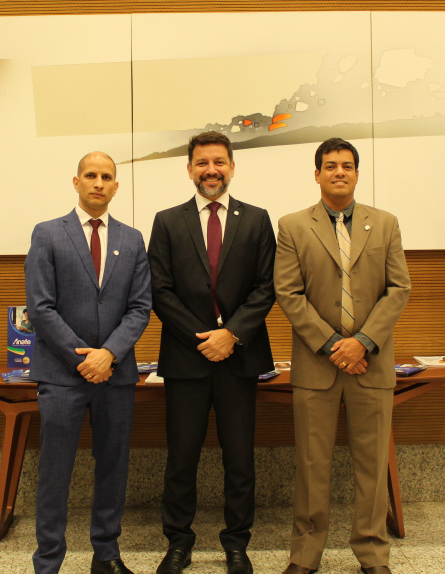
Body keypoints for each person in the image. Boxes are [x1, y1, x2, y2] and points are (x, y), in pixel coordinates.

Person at [274, 138, 410, 574]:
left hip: (372, 362)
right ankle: (305, 554)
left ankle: (372, 552)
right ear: (317, 174)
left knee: (372, 467)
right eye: (330, 165)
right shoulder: (293, 226)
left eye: (347, 166)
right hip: (318, 364)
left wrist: (362, 341)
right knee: (312, 465)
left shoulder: (384, 223)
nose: (339, 172)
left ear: (356, 173)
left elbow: (398, 289)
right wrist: (335, 345)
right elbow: (288, 293)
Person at [147, 131, 276, 574]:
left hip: (240, 360)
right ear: (189, 170)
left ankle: (237, 544)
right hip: (187, 359)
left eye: (219, 161)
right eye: (202, 163)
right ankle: (178, 543)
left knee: (240, 459)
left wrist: (231, 335)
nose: (211, 170)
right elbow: (160, 290)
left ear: (232, 167)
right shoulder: (167, 221)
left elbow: (266, 286)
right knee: (181, 459)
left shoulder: (257, 219)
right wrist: (204, 338)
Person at [25, 151, 152, 574]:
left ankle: (107, 555)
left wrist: (109, 354)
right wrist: (83, 358)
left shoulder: (132, 239)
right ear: (76, 182)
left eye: (107, 176)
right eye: (91, 175)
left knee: (113, 467)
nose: (99, 182)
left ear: (116, 186)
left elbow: (140, 307)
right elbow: (40, 308)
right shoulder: (47, 233)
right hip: (62, 375)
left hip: (115, 374)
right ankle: (48, 562)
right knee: (55, 471)